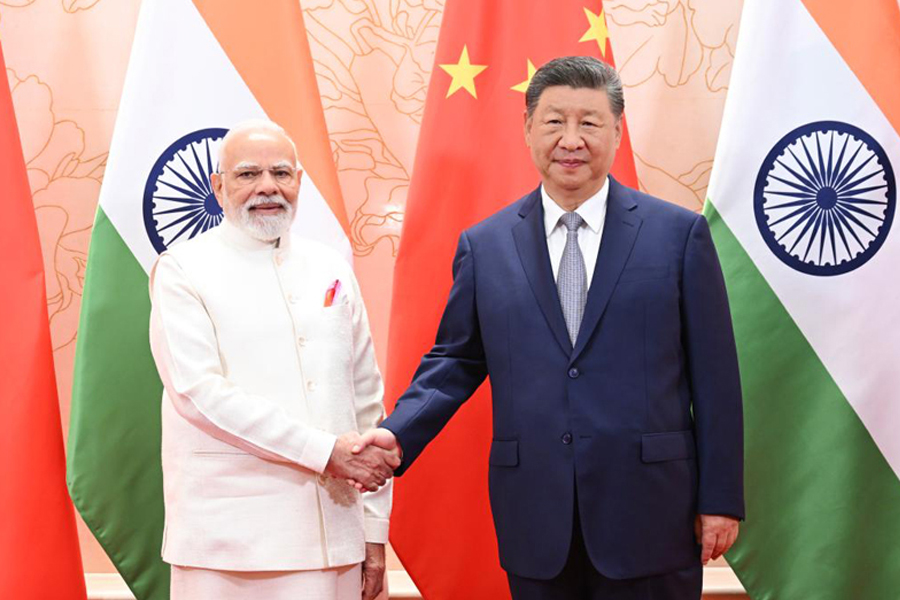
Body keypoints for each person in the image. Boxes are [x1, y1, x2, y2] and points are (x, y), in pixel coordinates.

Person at [356, 56, 744, 599]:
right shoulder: (485, 245)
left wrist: (720, 498)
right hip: (536, 513)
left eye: (589, 122)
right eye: (554, 121)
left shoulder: (678, 237)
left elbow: (717, 379)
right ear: (527, 129)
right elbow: (455, 361)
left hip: (653, 512)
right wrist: (397, 434)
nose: (571, 139)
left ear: (616, 129)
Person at [148, 120, 399, 600]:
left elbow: (366, 402)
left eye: (281, 173)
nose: (267, 187)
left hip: (336, 537)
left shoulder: (330, 267)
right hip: (227, 548)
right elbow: (198, 394)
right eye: (247, 174)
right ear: (219, 187)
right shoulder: (182, 270)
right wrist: (325, 452)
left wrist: (373, 531)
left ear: (299, 183)